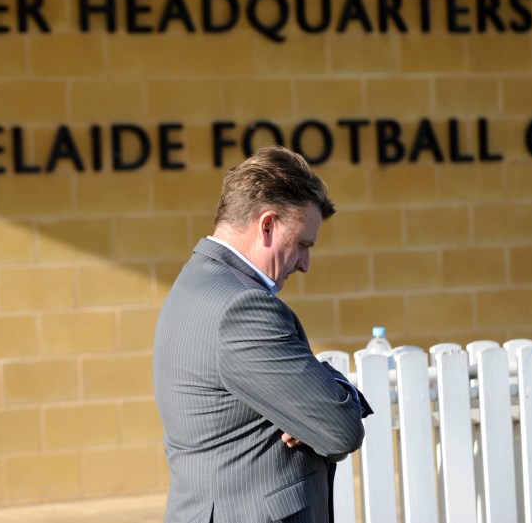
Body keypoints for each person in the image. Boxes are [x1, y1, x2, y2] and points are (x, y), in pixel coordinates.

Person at [153, 145, 372, 523]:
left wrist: (314, 403)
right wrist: (337, 393)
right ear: (267, 225)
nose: (305, 264)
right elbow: (340, 431)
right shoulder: (243, 308)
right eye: (303, 243)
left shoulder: (196, 282)